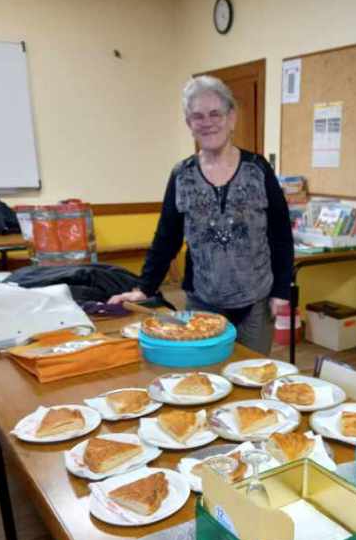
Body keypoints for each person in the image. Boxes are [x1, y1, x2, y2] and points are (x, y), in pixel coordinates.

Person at [109, 75, 293, 355]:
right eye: (197, 116)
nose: (207, 122)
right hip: (202, 301)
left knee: (251, 373)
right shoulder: (181, 175)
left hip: (256, 301)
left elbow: (280, 234)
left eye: (215, 113)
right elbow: (166, 237)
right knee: (205, 372)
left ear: (231, 118)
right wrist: (144, 288)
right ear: (189, 124)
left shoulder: (258, 169)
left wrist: (281, 289)